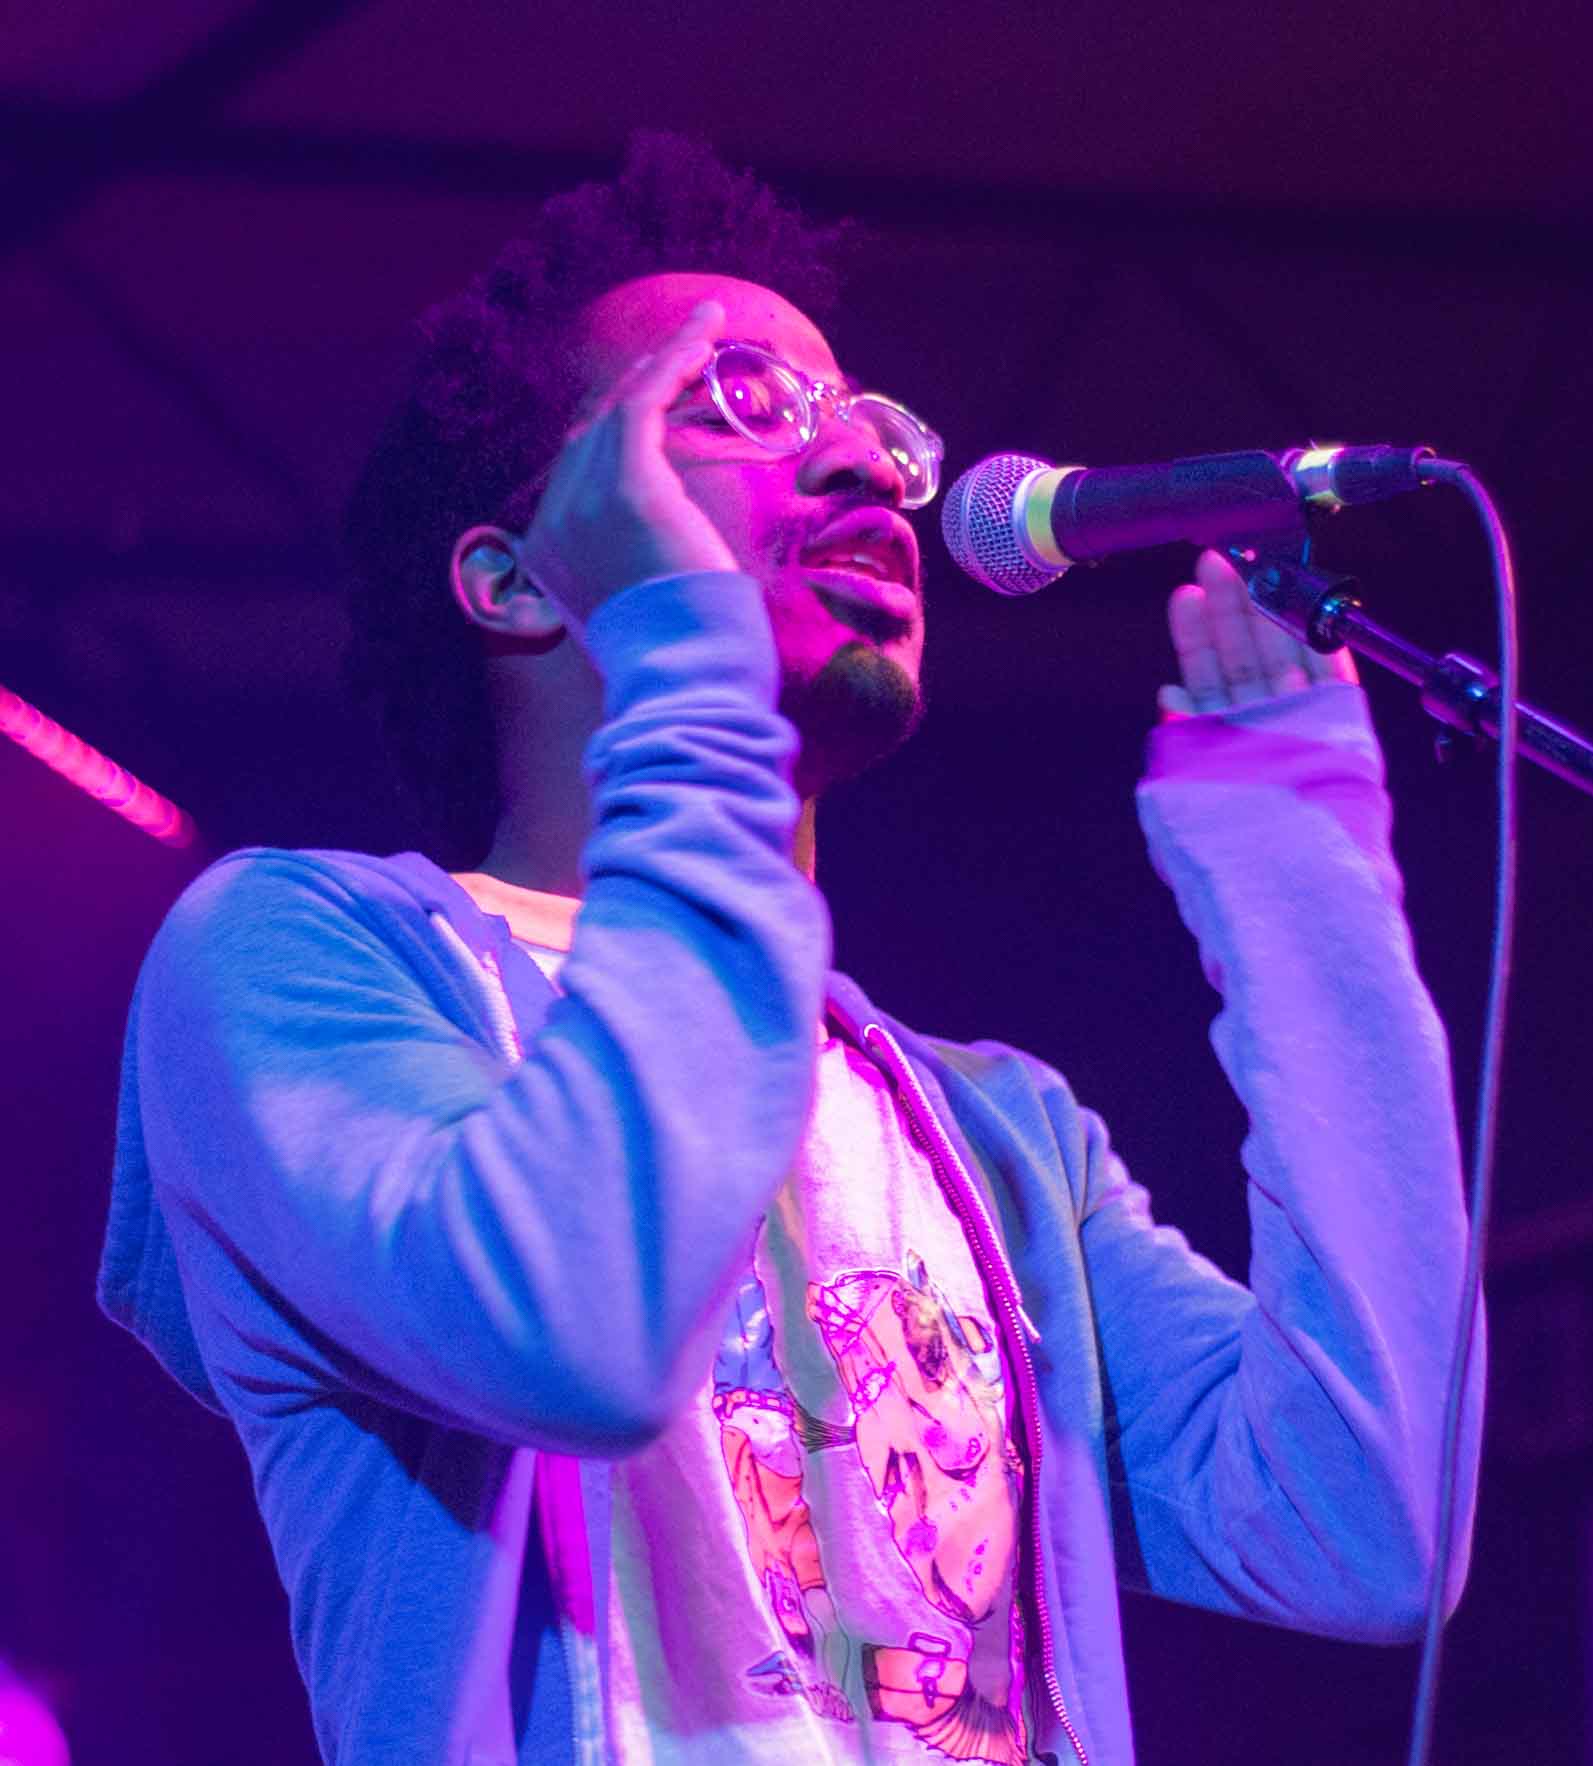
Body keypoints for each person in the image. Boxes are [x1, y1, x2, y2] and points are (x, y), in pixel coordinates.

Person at [99, 133, 1482, 1765]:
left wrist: (1305, 880)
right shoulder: (302, 961)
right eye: (738, 402)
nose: (860, 465)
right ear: (518, 577)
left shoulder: (997, 1137)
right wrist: (680, 663)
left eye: (867, 423)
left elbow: (1362, 1521)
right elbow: (578, 1328)